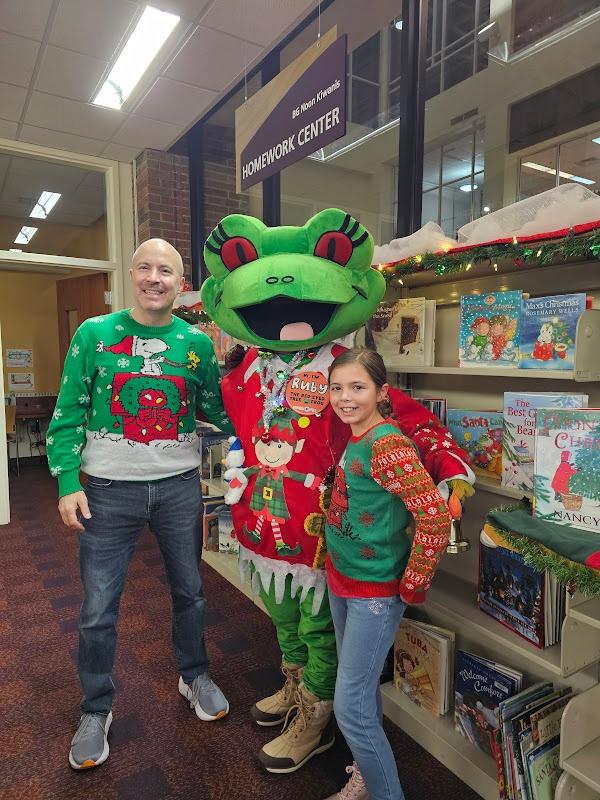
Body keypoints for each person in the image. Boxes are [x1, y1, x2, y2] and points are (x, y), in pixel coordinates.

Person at [46, 238, 233, 770]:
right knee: (97, 609)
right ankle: (96, 707)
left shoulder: (196, 344)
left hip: (177, 487)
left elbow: (218, 414)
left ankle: (193, 675)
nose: (155, 278)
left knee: (190, 592)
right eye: (146, 268)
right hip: (105, 493)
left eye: (167, 271)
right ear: (132, 274)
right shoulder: (95, 334)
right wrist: (66, 483)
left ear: (181, 283)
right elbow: (67, 412)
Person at [323, 347, 452, 800]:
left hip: (374, 592)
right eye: (336, 388)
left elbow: (435, 518)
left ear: (381, 392)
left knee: (351, 707)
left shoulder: (387, 444)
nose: (344, 397)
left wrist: (413, 585)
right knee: (359, 693)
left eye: (357, 387)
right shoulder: (356, 437)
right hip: (344, 578)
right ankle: (365, 772)